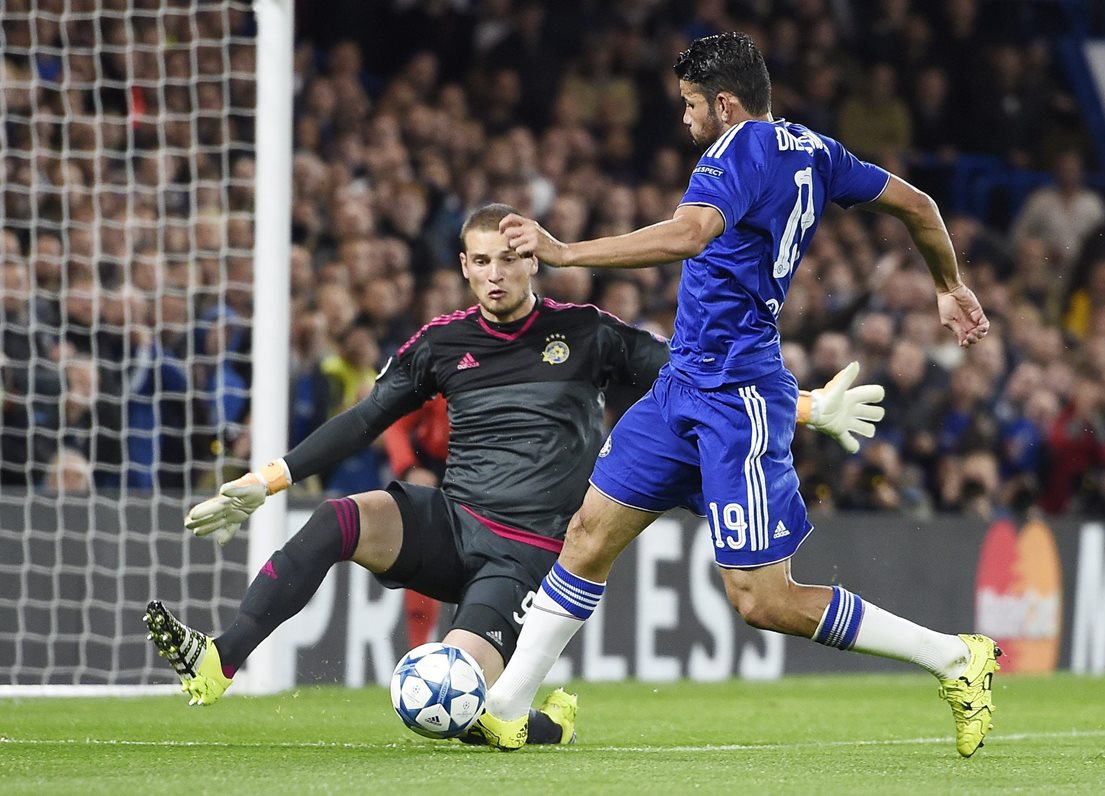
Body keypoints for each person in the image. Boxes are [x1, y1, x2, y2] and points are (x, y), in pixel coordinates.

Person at [144, 202, 884, 746]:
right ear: (464, 267)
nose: (495, 273)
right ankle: (219, 661)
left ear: (532, 259)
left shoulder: (588, 334)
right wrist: (264, 480)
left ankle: (537, 726)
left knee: (454, 703)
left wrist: (811, 404)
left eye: (508, 257)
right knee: (341, 517)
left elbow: (703, 380)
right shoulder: (442, 343)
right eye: (480, 261)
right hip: (451, 520)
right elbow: (366, 419)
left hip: (528, 555)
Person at [474, 32, 998, 759]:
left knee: (763, 601)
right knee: (589, 533)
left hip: (738, 394)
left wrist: (566, 254)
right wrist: (949, 285)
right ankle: (505, 704)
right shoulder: (815, 150)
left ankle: (953, 657)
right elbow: (918, 204)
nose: (684, 119)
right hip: (683, 383)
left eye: (690, 105)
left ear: (724, 103)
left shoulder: (736, 151)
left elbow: (690, 234)